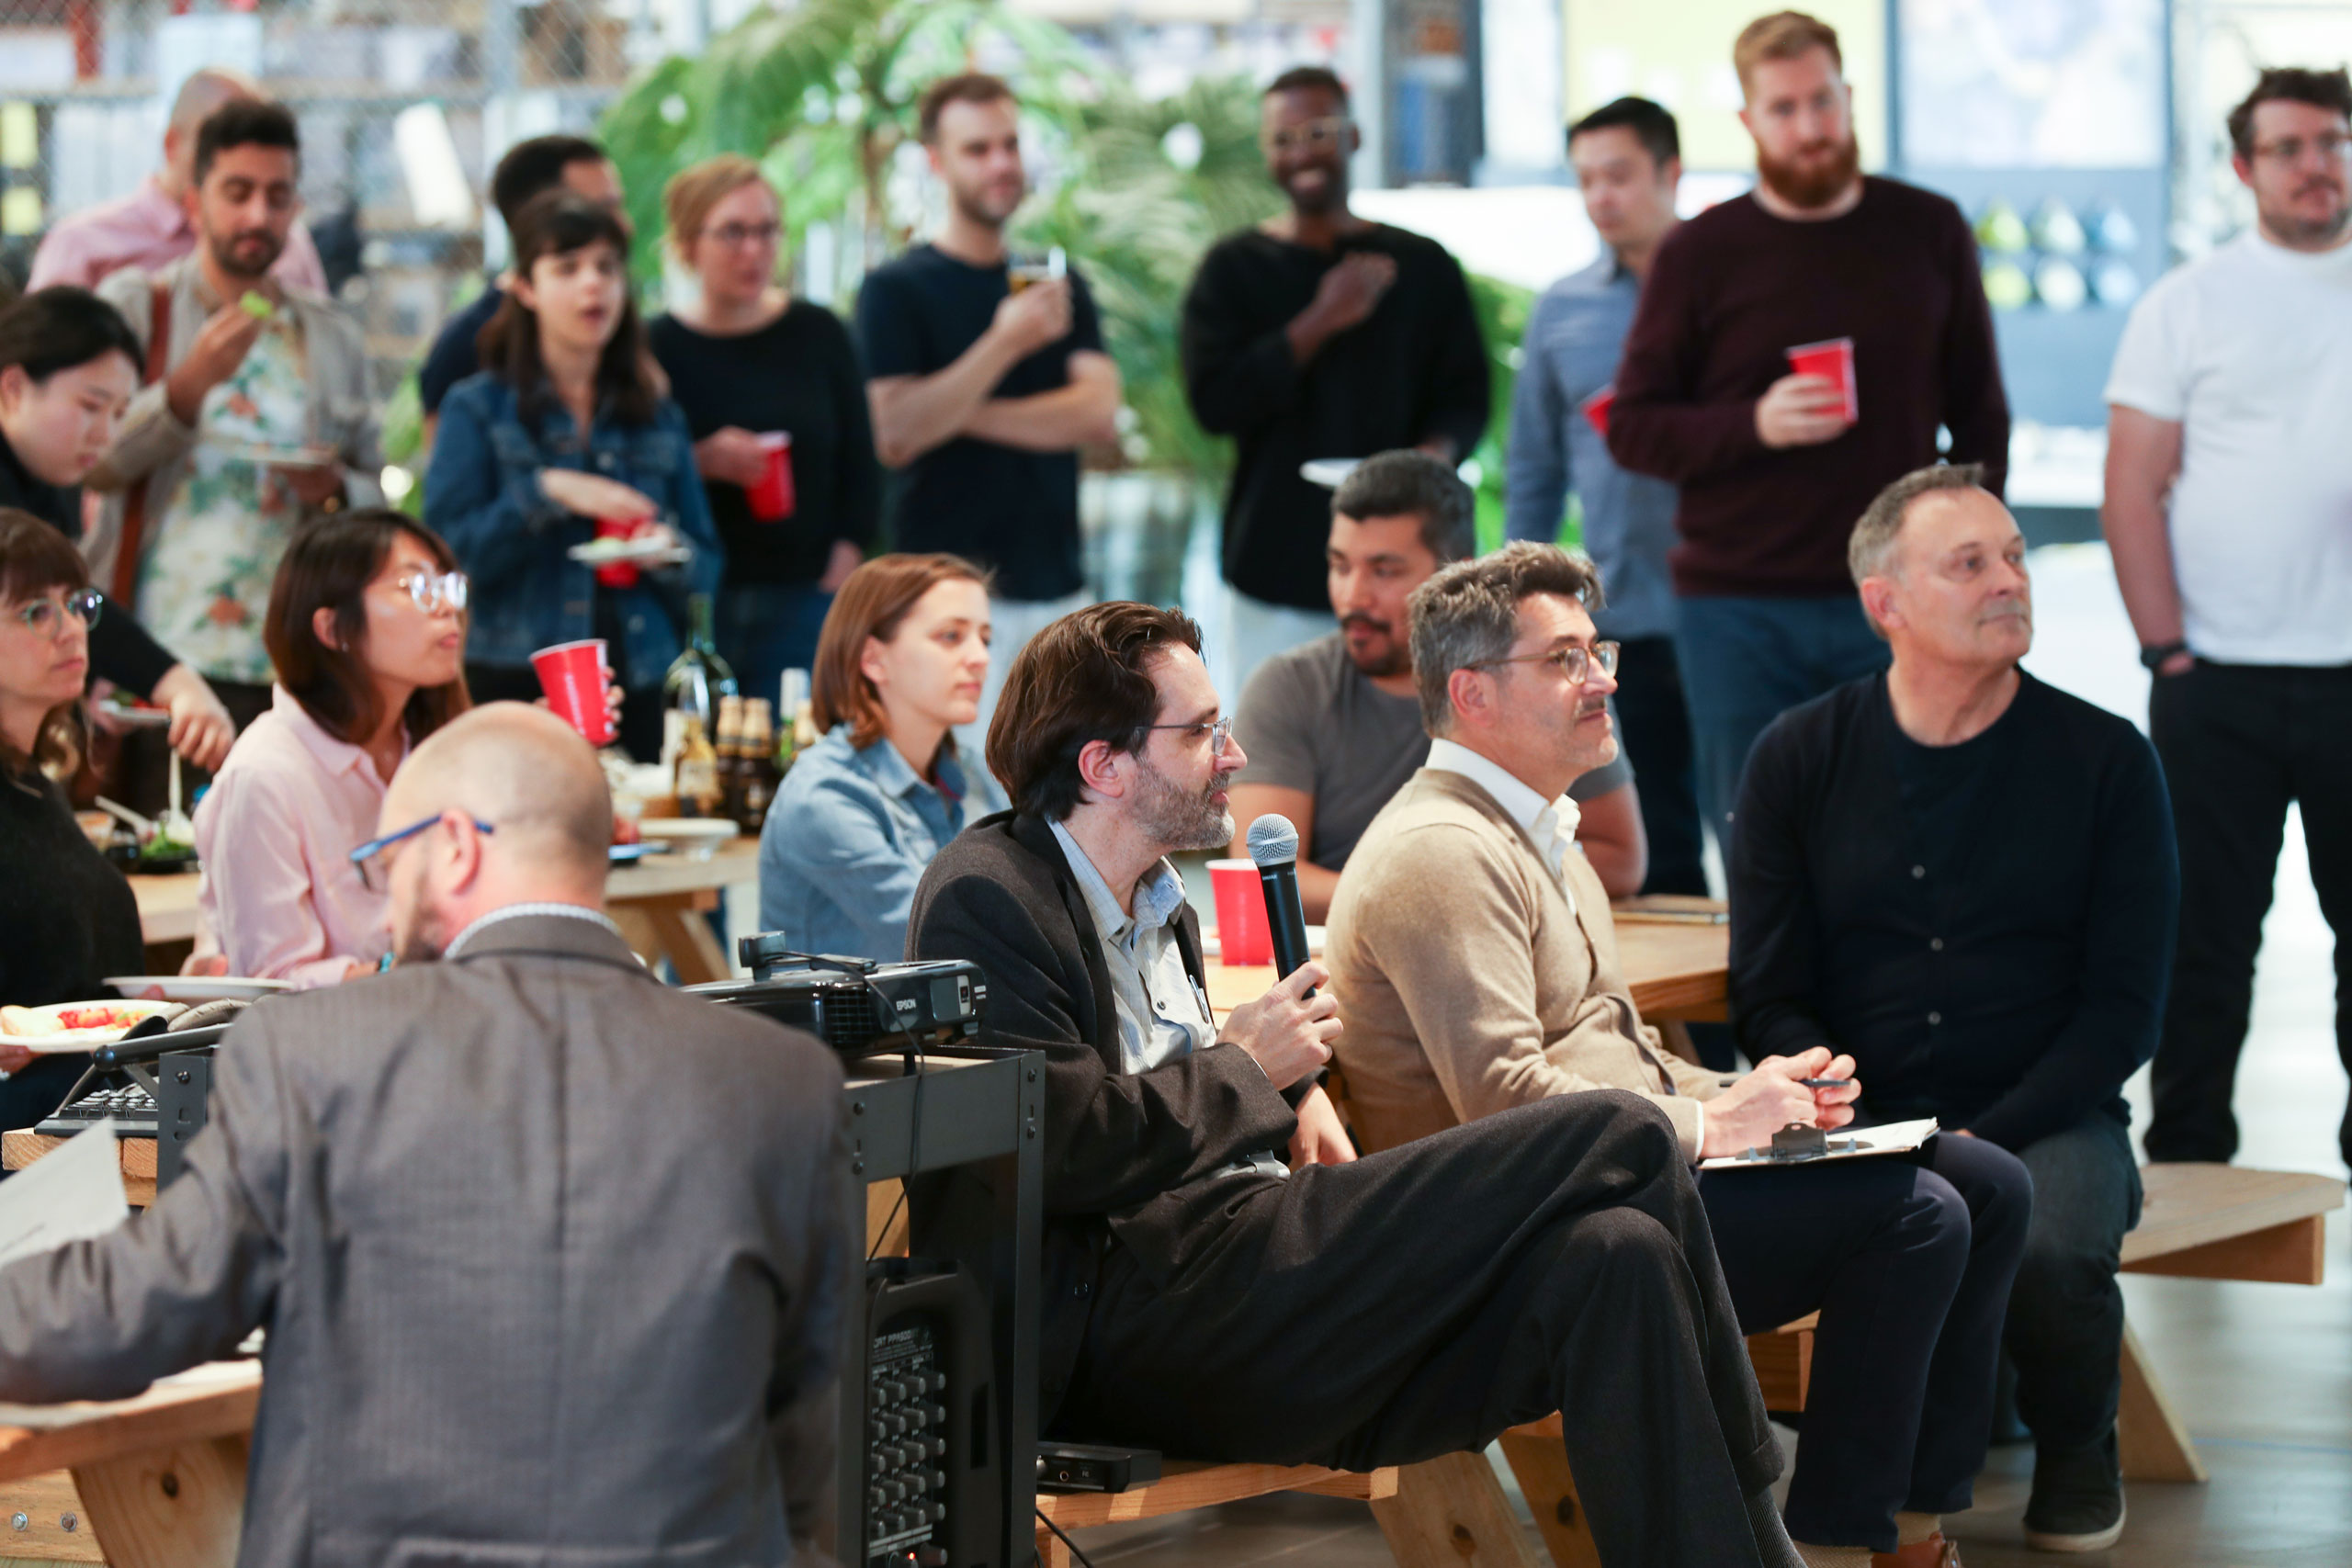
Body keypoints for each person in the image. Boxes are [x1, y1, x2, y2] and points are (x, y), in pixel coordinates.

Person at [907, 602, 1802, 1568]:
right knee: (1623, 1132)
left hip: (1252, 1290)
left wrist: (1292, 1096)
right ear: (1103, 764)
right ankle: (1771, 1533)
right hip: (1128, 1328)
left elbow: (1182, 1094)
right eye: (1203, 731)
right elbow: (1061, 1148)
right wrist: (1249, 1070)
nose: (1237, 754)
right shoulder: (989, 894)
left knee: (1616, 1254)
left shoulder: (1158, 900)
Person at [0, 702, 851, 1562]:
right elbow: (803, 1426)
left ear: (455, 845)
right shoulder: (783, 1083)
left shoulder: (315, 1051)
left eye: (386, 861)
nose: (384, 902)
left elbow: (137, 1304)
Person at [1325, 540, 2030, 1568]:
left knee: (1989, 1181)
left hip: (1619, 1175)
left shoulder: (1534, 827)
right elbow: (1504, 1104)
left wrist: (1752, 1093)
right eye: (1564, 658)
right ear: (1471, 693)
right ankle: (1835, 1545)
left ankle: (1909, 1534)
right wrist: (1713, 1127)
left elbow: (1624, 1052)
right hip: (1523, 1236)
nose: (1603, 676)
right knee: (1915, 1216)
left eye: (1595, 647)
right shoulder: (1442, 850)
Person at [1731, 466, 2177, 1553]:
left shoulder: (2106, 758)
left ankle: (2080, 1445)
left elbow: (2125, 1011)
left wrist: (1994, 1129)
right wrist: (1836, 1098)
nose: (2008, 580)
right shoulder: (1798, 756)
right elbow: (1769, 991)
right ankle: (1864, 1513)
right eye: (1968, 563)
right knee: (1845, 1230)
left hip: (2051, 1105)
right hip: (1855, 1107)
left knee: (2046, 1236)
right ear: (1885, 603)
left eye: (2014, 554)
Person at [1606, 11, 2007, 849]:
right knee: (1761, 842)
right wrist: (1754, 423)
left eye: (1822, 102)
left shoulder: (1928, 229)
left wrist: (1966, 556)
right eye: (1784, 110)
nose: (1810, 128)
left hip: (1900, 595)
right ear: (1750, 123)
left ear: (1850, 98)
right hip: (1739, 606)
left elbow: (1981, 415)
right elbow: (1635, 428)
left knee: (1918, 837)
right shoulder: (1701, 253)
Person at [2104, 67, 2352, 1168]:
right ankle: (2191, 1157)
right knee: (2207, 938)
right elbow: (2130, 489)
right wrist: (2169, 651)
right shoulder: (2188, 302)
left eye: (2334, 142)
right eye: (2291, 146)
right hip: (2219, 679)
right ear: (2247, 167)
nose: (2317, 163)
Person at [82, 99, 382, 813]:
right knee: (169, 867)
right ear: (195, 200)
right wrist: (183, 389)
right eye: (237, 192)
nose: (257, 216)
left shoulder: (331, 334)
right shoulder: (139, 307)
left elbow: (379, 493)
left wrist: (333, 489)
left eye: (277, 197)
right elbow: (88, 462)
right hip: (161, 665)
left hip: (296, 663)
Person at [1227, 451, 1642, 920]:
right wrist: (1438, 892)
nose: (1353, 595)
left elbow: (1621, 859)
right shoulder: (1289, 686)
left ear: (1452, 577)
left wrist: (1467, 889)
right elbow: (1261, 877)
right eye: (1340, 565)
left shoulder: (1544, 678)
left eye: (1384, 571)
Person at [1182, 66, 1489, 686]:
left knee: (1409, 756)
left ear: (1353, 136)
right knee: (1271, 759)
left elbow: (1467, 394)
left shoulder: (1422, 265)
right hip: (1275, 567)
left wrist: (1433, 455)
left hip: (1408, 567)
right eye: (1284, 138)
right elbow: (1216, 403)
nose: (1302, 152)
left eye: (1318, 131)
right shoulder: (1233, 268)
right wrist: (1322, 317)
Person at [856, 73, 1121, 739]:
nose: (1002, 163)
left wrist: (951, 410)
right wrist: (1005, 343)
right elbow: (894, 432)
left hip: (1056, 590)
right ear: (937, 162)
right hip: (939, 601)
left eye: (1009, 144)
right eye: (978, 149)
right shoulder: (895, 290)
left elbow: (1094, 414)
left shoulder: (1058, 280)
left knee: (1058, 808)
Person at [425, 191, 722, 763]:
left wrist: (663, 550)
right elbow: (448, 558)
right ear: (525, 287)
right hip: (515, 676)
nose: (594, 285)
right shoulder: (477, 408)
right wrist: (548, 492)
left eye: (607, 268)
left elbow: (707, 567)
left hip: (639, 676)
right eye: (568, 268)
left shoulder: (657, 413)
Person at [1506, 97, 1704, 897]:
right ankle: (1685, 1024)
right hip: (1624, 617)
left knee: (1769, 828)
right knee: (1659, 845)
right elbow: (1535, 469)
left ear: (1671, 173)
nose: (1602, 197)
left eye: (1619, 175)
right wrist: (1522, 605)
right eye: (1586, 179)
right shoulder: (1564, 309)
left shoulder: (1736, 290)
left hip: (1743, 607)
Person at [191, 511, 470, 986]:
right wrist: (409, 972)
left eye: (447, 587)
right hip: (328, 1047)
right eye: (412, 587)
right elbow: (272, 985)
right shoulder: (264, 775)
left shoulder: (438, 748)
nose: (445, 608)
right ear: (333, 629)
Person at [650, 155, 879, 703]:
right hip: (695, 599)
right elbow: (633, 468)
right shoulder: (654, 346)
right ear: (686, 245)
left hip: (806, 591)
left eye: (766, 230)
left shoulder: (817, 331)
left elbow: (862, 463)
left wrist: (841, 570)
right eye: (732, 232)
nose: (753, 250)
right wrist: (701, 459)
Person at [0, 287, 232, 772]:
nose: (105, 435)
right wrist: (173, 681)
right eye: (90, 406)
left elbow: (67, 599)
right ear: (13, 388)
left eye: (120, 413)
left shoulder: (51, 473)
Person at [758, 553, 1005, 962]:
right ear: (873, 659)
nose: (980, 658)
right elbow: (951, 939)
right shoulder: (825, 796)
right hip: (848, 1028)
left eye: (985, 638)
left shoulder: (973, 775)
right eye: (950, 636)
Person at [0, 512, 143, 1135]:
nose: (72, 632)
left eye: (76, 604)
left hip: (73, 1102)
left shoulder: (34, 781)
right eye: (37, 611)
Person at [28, 68, 328, 296]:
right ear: (173, 144)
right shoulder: (83, 246)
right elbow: (45, 367)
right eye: (223, 140)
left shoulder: (286, 241)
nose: (257, 215)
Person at [416, 134, 623, 434]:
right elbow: (447, 476)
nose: (623, 225)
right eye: (602, 209)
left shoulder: (619, 332)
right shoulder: (467, 351)